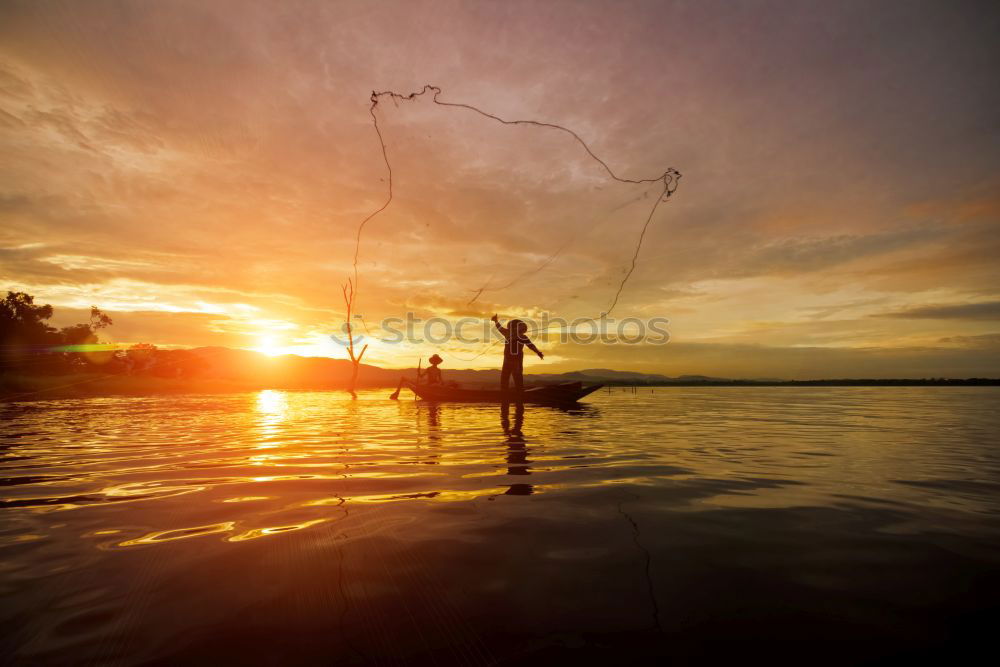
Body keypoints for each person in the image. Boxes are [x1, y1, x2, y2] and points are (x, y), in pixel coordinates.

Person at [491, 314, 544, 393]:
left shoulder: (518, 336)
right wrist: (495, 321)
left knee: (515, 378)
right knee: (507, 378)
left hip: (515, 361)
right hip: (508, 360)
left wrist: (538, 352)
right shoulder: (509, 333)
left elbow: (531, 346)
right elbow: (500, 328)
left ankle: (517, 393)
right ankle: (508, 393)